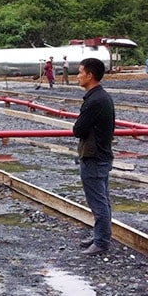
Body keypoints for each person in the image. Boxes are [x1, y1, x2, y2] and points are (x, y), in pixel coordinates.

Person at [73, 57, 115, 256]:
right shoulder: (102, 97)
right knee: (103, 200)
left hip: (94, 156)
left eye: (80, 72)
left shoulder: (95, 100)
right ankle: (101, 236)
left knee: (98, 202)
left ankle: (101, 242)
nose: (78, 76)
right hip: (101, 155)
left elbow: (79, 129)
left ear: (90, 75)